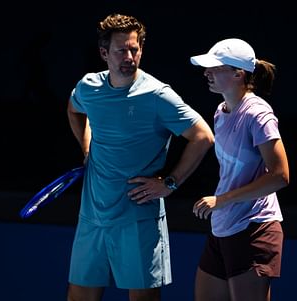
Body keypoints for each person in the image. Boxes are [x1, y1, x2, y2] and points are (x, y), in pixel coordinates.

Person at [66, 13, 214, 301]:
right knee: (78, 297)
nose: (130, 56)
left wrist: (170, 182)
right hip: (92, 217)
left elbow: (203, 136)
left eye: (135, 49)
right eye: (122, 50)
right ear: (104, 53)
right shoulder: (88, 87)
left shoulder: (158, 96)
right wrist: (87, 148)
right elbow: (74, 109)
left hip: (138, 217)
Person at [189, 38, 290, 301]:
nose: (206, 73)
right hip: (223, 227)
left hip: (254, 228)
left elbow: (280, 176)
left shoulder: (257, 114)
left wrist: (221, 201)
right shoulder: (221, 112)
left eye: (215, 68)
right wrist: (222, 207)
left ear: (238, 74)